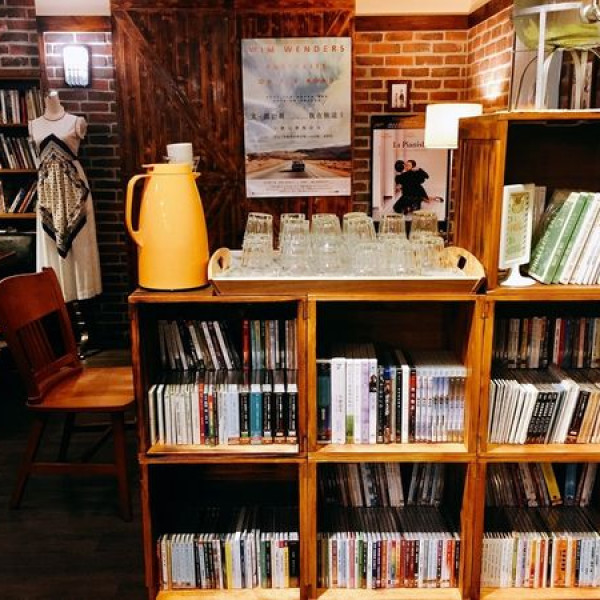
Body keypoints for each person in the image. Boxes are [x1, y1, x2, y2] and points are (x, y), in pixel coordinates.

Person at [29, 90, 102, 303]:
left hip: (74, 192)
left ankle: (83, 293)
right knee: (51, 247)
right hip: (48, 194)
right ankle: (57, 296)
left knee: (80, 245)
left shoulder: (76, 122)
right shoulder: (34, 125)